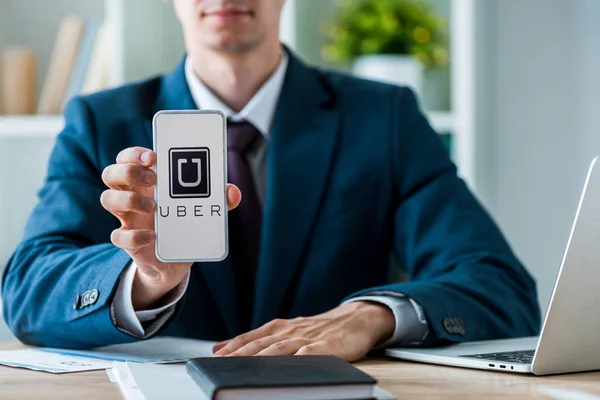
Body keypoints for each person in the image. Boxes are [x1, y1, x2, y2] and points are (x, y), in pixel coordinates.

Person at [1, 0, 540, 362]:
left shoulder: (383, 117)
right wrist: (143, 279)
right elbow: (26, 291)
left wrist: (374, 314)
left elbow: (501, 286)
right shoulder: (101, 119)